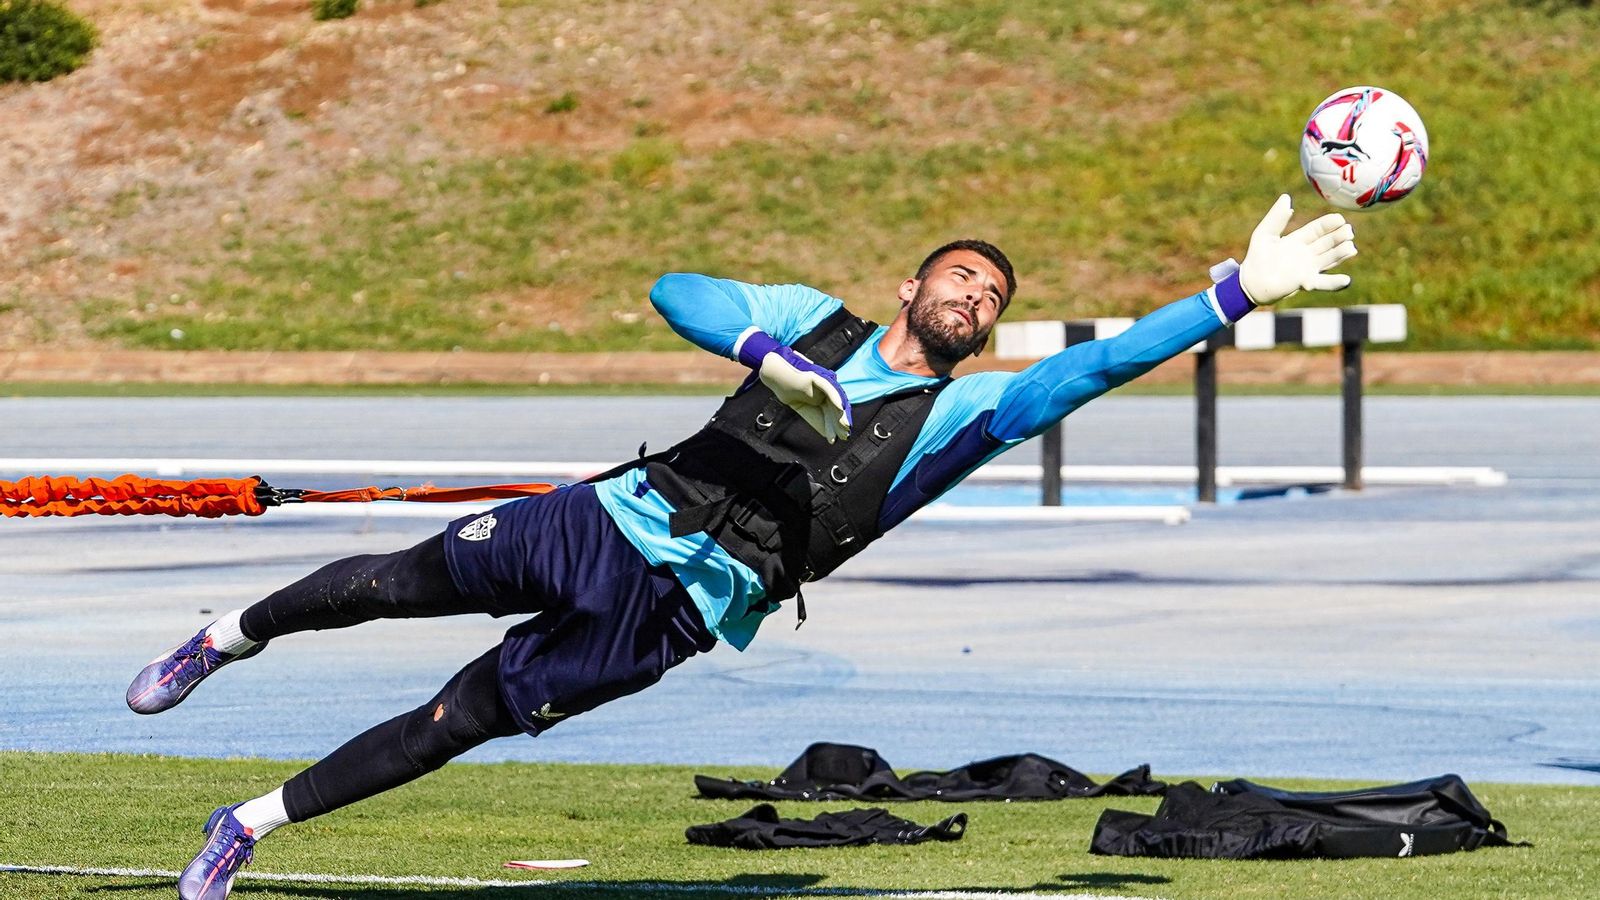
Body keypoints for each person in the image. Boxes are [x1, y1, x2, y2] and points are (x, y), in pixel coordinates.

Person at [128, 195, 1355, 900]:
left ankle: (248, 825)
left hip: (679, 613)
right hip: (606, 520)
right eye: (960, 276)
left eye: (991, 296)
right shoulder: (812, 321)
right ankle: (223, 638)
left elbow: (1091, 367)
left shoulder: (968, 416)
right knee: (395, 583)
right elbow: (679, 288)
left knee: (461, 720)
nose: (973, 296)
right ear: (911, 283)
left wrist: (1230, 298)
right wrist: (772, 358)